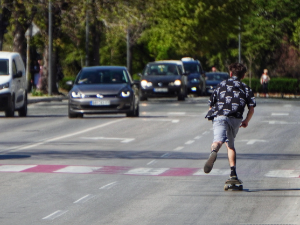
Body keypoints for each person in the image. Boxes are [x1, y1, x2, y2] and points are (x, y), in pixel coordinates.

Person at [204, 63, 256, 181]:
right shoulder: (246, 88)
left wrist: (214, 116)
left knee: (218, 140)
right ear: (243, 76)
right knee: (230, 146)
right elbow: (251, 109)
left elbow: (210, 105)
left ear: (230, 73)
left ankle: (214, 151)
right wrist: (246, 121)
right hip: (235, 118)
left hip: (220, 115)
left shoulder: (220, 85)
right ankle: (233, 173)